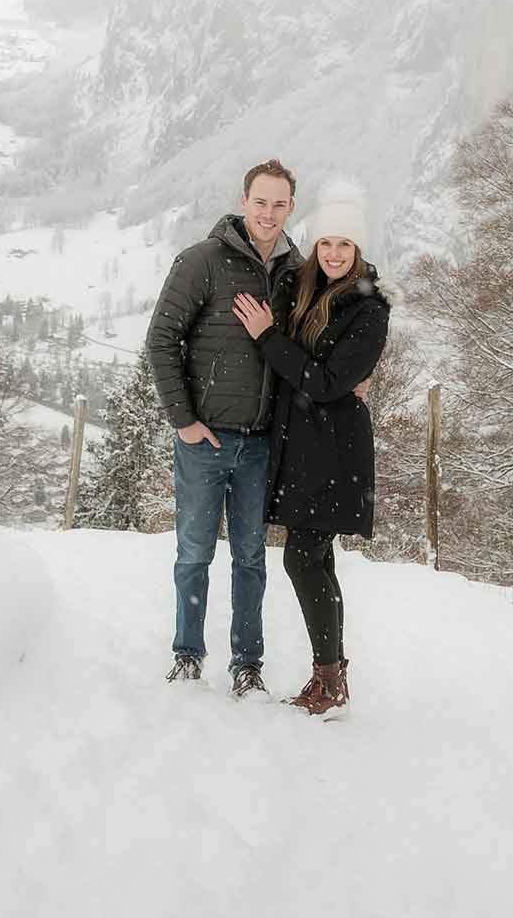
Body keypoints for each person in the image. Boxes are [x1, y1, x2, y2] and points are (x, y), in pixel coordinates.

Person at [144, 159, 303, 696]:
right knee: (193, 551)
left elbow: (310, 347)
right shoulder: (202, 261)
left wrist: (355, 378)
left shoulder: (296, 274)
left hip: (261, 445)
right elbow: (160, 340)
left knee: (252, 558)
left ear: (291, 208)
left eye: (279, 203)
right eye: (261, 201)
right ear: (243, 201)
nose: (268, 212)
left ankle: (247, 663)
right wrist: (184, 422)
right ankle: (187, 653)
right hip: (204, 441)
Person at [232, 183, 389, 717]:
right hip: (298, 445)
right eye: (326, 244)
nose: (334, 255)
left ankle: (330, 676)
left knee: (303, 558)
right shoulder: (302, 289)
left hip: (334, 451)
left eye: (345, 246)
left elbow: (323, 382)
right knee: (316, 559)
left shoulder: (369, 309)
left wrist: (268, 338)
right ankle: (332, 676)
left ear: (358, 250)